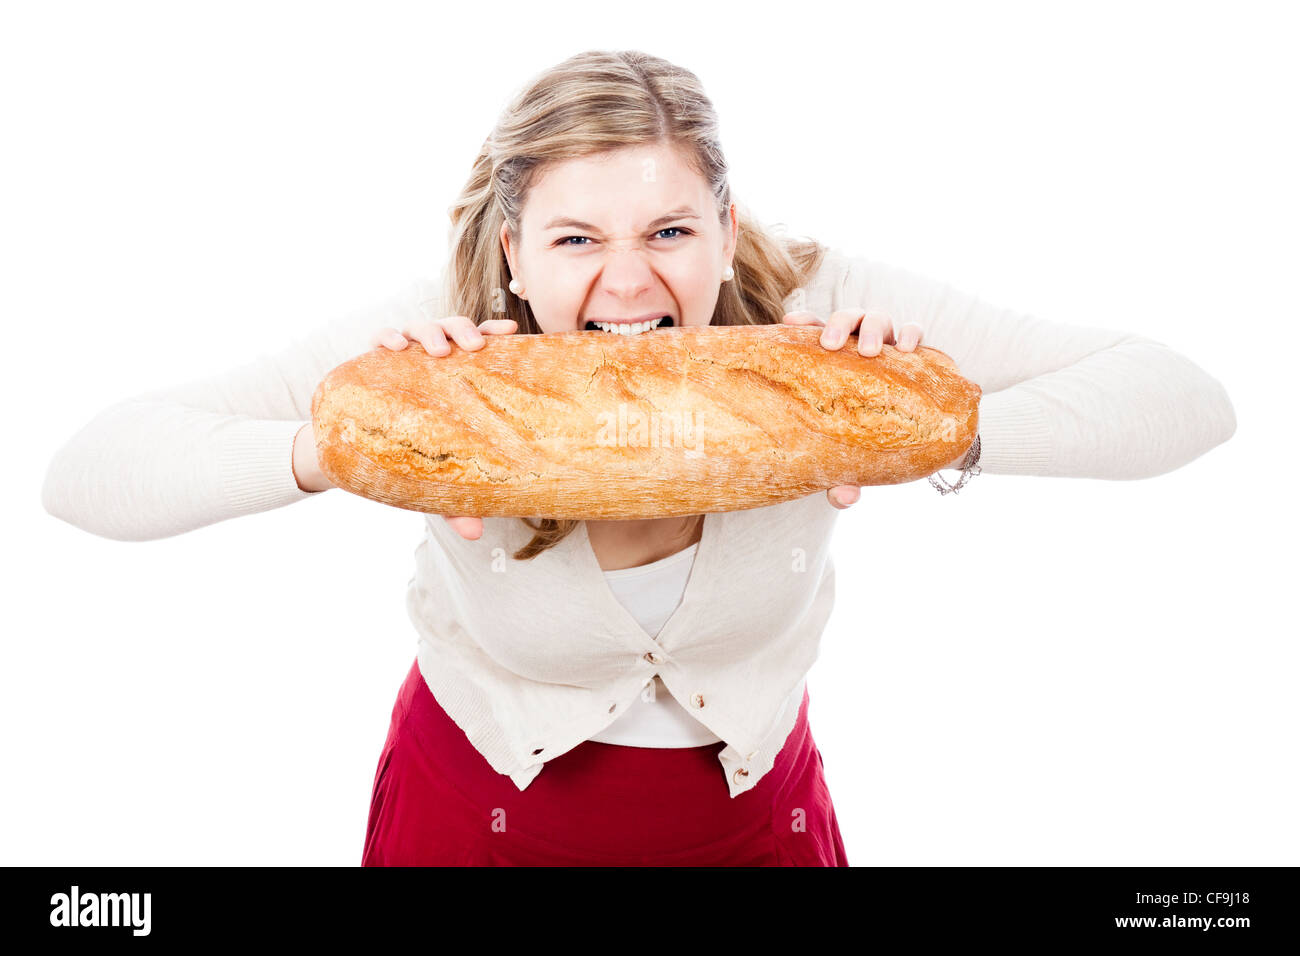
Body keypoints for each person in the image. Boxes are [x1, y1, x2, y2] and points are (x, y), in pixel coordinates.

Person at [42, 49, 1237, 866]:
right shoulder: (439, 349)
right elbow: (87, 472)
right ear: (513, 251)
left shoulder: (824, 317)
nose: (625, 282)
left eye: (670, 230)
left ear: (727, 224)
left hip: (750, 825)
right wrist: (347, 449)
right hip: (478, 825)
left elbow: (1186, 398)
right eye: (575, 239)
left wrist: (928, 420)